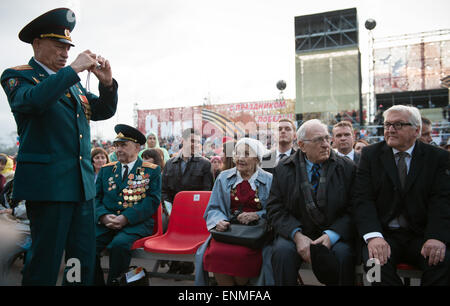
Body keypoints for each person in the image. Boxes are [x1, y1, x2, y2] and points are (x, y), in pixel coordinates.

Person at [0, 8, 118, 285]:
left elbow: (102, 110)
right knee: (46, 258)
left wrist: (108, 84)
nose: (65, 54)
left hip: (81, 186)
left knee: (81, 258)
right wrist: (74, 69)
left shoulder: (72, 85)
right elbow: (31, 102)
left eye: (68, 48)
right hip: (49, 186)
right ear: (37, 44)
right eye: (58, 46)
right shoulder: (19, 76)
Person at [353, 105, 450, 286]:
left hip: (423, 236)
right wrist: (373, 237)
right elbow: (362, 199)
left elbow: (442, 200)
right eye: (387, 125)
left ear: (417, 130)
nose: (390, 130)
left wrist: (436, 237)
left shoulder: (438, 158)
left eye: (398, 125)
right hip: (384, 235)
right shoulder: (370, 155)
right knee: (374, 268)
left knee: (442, 262)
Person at [267, 119, 356, 286]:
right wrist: (297, 235)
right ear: (302, 145)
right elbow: (275, 208)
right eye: (318, 140)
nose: (325, 145)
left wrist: (332, 236)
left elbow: (354, 208)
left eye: (327, 138)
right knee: (281, 253)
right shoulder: (283, 168)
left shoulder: (347, 167)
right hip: (296, 232)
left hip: (335, 232)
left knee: (344, 255)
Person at [195, 137, 273, 286]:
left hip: (255, 234)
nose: (240, 158)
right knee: (215, 253)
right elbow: (214, 207)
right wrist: (219, 220)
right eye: (237, 154)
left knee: (242, 256)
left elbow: (275, 210)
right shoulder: (224, 177)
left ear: (257, 158)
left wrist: (257, 215)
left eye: (246, 154)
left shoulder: (269, 180)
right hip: (228, 232)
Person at [95, 124, 161, 285]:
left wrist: (125, 218)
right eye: (116, 145)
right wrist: (103, 216)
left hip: (135, 223)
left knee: (119, 245)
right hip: (107, 222)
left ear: (137, 147)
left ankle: (115, 283)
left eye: (124, 145)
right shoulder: (106, 170)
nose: (118, 149)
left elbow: (152, 200)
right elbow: (95, 198)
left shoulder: (151, 170)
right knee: (87, 242)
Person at [162, 128, 214, 274]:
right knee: (163, 226)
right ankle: (173, 261)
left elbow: (207, 193)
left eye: (198, 142)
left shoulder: (205, 164)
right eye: (192, 140)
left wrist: (194, 213)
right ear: (182, 140)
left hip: (194, 213)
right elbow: (164, 191)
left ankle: (185, 264)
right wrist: (170, 211)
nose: (195, 144)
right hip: (172, 212)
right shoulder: (169, 163)